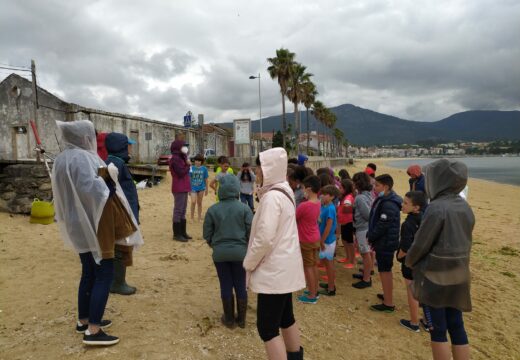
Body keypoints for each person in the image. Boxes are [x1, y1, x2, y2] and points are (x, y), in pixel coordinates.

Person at [52, 120, 143, 346]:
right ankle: (93, 331)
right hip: (94, 221)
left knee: (88, 271)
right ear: (84, 137)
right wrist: (109, 177)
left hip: (76, 222)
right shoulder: (84, 158)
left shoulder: (62, 159)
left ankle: (84, 320)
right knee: (104, 272)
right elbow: (93, 190)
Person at [406, 159, 475, 360]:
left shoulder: (436, 208)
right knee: (457, 325)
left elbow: (421, 244)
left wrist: (409, 261)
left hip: (436, 275)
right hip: (460, 272)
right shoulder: (464, 206)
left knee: (438, 329)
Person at [243, 148, 305, 360]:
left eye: (259, 167)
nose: (257, 171)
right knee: (286, 318)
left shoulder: (271, 198)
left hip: (273, 271)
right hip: (285, 268)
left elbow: (264, 238)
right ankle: (295, 356)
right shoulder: (285, 190)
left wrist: (248, 263)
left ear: (269, 169)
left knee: (267, 329)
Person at [203, 174, 253, 329]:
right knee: (240, 284)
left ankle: (229, 319)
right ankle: (242, 320)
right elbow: (251, 232)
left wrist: (215, 245)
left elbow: (207, 234)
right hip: (240, 253)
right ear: (237, 189)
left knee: (225, 284)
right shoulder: (245, 208)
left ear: (220, 190)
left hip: (220, 253)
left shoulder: (213, 209)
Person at [104, 132, 139, 295]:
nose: (130, 148)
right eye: (128, 145)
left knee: (119, 246)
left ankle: (115, 281)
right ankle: (118, 283)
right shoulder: (115, 164)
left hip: (120, 211)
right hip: (121, 212)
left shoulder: (113, 162)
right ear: (122, 147)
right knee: (122, 246)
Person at [367, 174, 402, 313]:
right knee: (384, 271)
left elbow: (383, 225)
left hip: (386, 242)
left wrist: (371, 236)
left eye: (377, 185)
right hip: (384, 241)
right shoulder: (385, 199)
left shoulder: (389, 203)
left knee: (385, 271)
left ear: (386, 187)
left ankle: (388, 303)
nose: (374, 188)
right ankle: (387, 295)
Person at [396, 191, 427, 332]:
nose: (402, 205)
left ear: (416, 207)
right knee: (422, 291)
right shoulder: (425, 219)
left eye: (406, 203)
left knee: (412, 293)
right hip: (423, 261)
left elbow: (405, 247)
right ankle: (427, 322)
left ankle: (414, 323)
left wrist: (399, 256)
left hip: (410, 263)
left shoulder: (407, 224)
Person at [296, 175, 322, 304]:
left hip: (305, 239)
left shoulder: (304, 205)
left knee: (308, 267)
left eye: (304, 188)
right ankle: (314, 289)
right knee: (314, 265)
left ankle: (312, 295)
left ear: (309, 189)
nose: (303, 191)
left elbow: (293, 218)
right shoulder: (318, 202)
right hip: (315, 237)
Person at [351, 172, 375, 289]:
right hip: (366, 228)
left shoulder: (360, 198)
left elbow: (367, 214)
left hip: (362, 229)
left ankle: (366, 279)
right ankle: (367, 273)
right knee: (368, 253)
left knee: (365, 254)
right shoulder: (368, 195)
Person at [317, 185, 338, 296]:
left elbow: (328, 227)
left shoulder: (330, 208)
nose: (322, 196)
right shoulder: (324, 206)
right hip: (324, 239)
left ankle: (331, 289)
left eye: (326, 194)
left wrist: (322, 241)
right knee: (326, 263)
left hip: (327, 241)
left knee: (329, 264)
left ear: (332, 197)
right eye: (322, 193)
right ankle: (330, 283)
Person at [170, 139, 192, 241]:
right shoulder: (175, 158)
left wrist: (187, 162)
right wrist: (188, 165)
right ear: (178, 147)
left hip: (184, 186)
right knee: (178, 210)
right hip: (179, 187)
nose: (185, 147)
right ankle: (177, 234)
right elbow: (180, 172)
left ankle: (183, 232)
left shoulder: (182, 157)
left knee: (183, 210)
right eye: (183, 145)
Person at [337, 179, 356, 269]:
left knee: (349, 242)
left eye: (341, 188)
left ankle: (352, 261)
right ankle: (348, 257)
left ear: (346, 189)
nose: (339, 189)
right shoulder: (344, 196)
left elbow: (347, 205)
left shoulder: (348, 197)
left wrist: (345, 206)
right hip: (344, 222)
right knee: (344, 241)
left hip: (348, 222)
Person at [189, 154, 209, 222]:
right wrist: (189, 189)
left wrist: (207, 189)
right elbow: (189, 178)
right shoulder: (191, 168)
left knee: (199, 203)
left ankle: (199, 217)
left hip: (201, 188)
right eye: (196, 160)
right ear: (194, 161)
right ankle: (192, 217)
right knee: (193, 202)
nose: (197, 162)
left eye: (199, 161)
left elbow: (206, 179)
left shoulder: (204, 169)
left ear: (201, 162)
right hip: (193, 188)